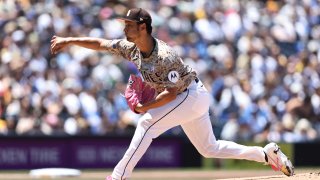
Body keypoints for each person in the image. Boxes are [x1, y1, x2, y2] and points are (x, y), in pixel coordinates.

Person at [50, 8, 294, 180]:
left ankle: (117, 177)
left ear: (142, 27)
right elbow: (102, 44)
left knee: (146, 124)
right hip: (187, 98)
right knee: (209, 148)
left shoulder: (165, 55)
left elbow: (171, 93)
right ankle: (267, 154)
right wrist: (68, 40)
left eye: (129, 25)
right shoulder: (131, 48)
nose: (125, 28)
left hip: (190, 95)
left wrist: (144, 108)